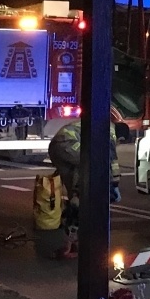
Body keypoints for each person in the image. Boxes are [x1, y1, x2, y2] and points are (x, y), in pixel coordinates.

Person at [46, 108, 121, 259]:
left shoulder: (96, 124)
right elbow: (110, 157)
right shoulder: (110, 130)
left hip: (57, 147)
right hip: (67, 145)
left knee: (77, 192)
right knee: (92, 162)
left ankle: (70, 243)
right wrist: (114, 184)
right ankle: (77, 240)